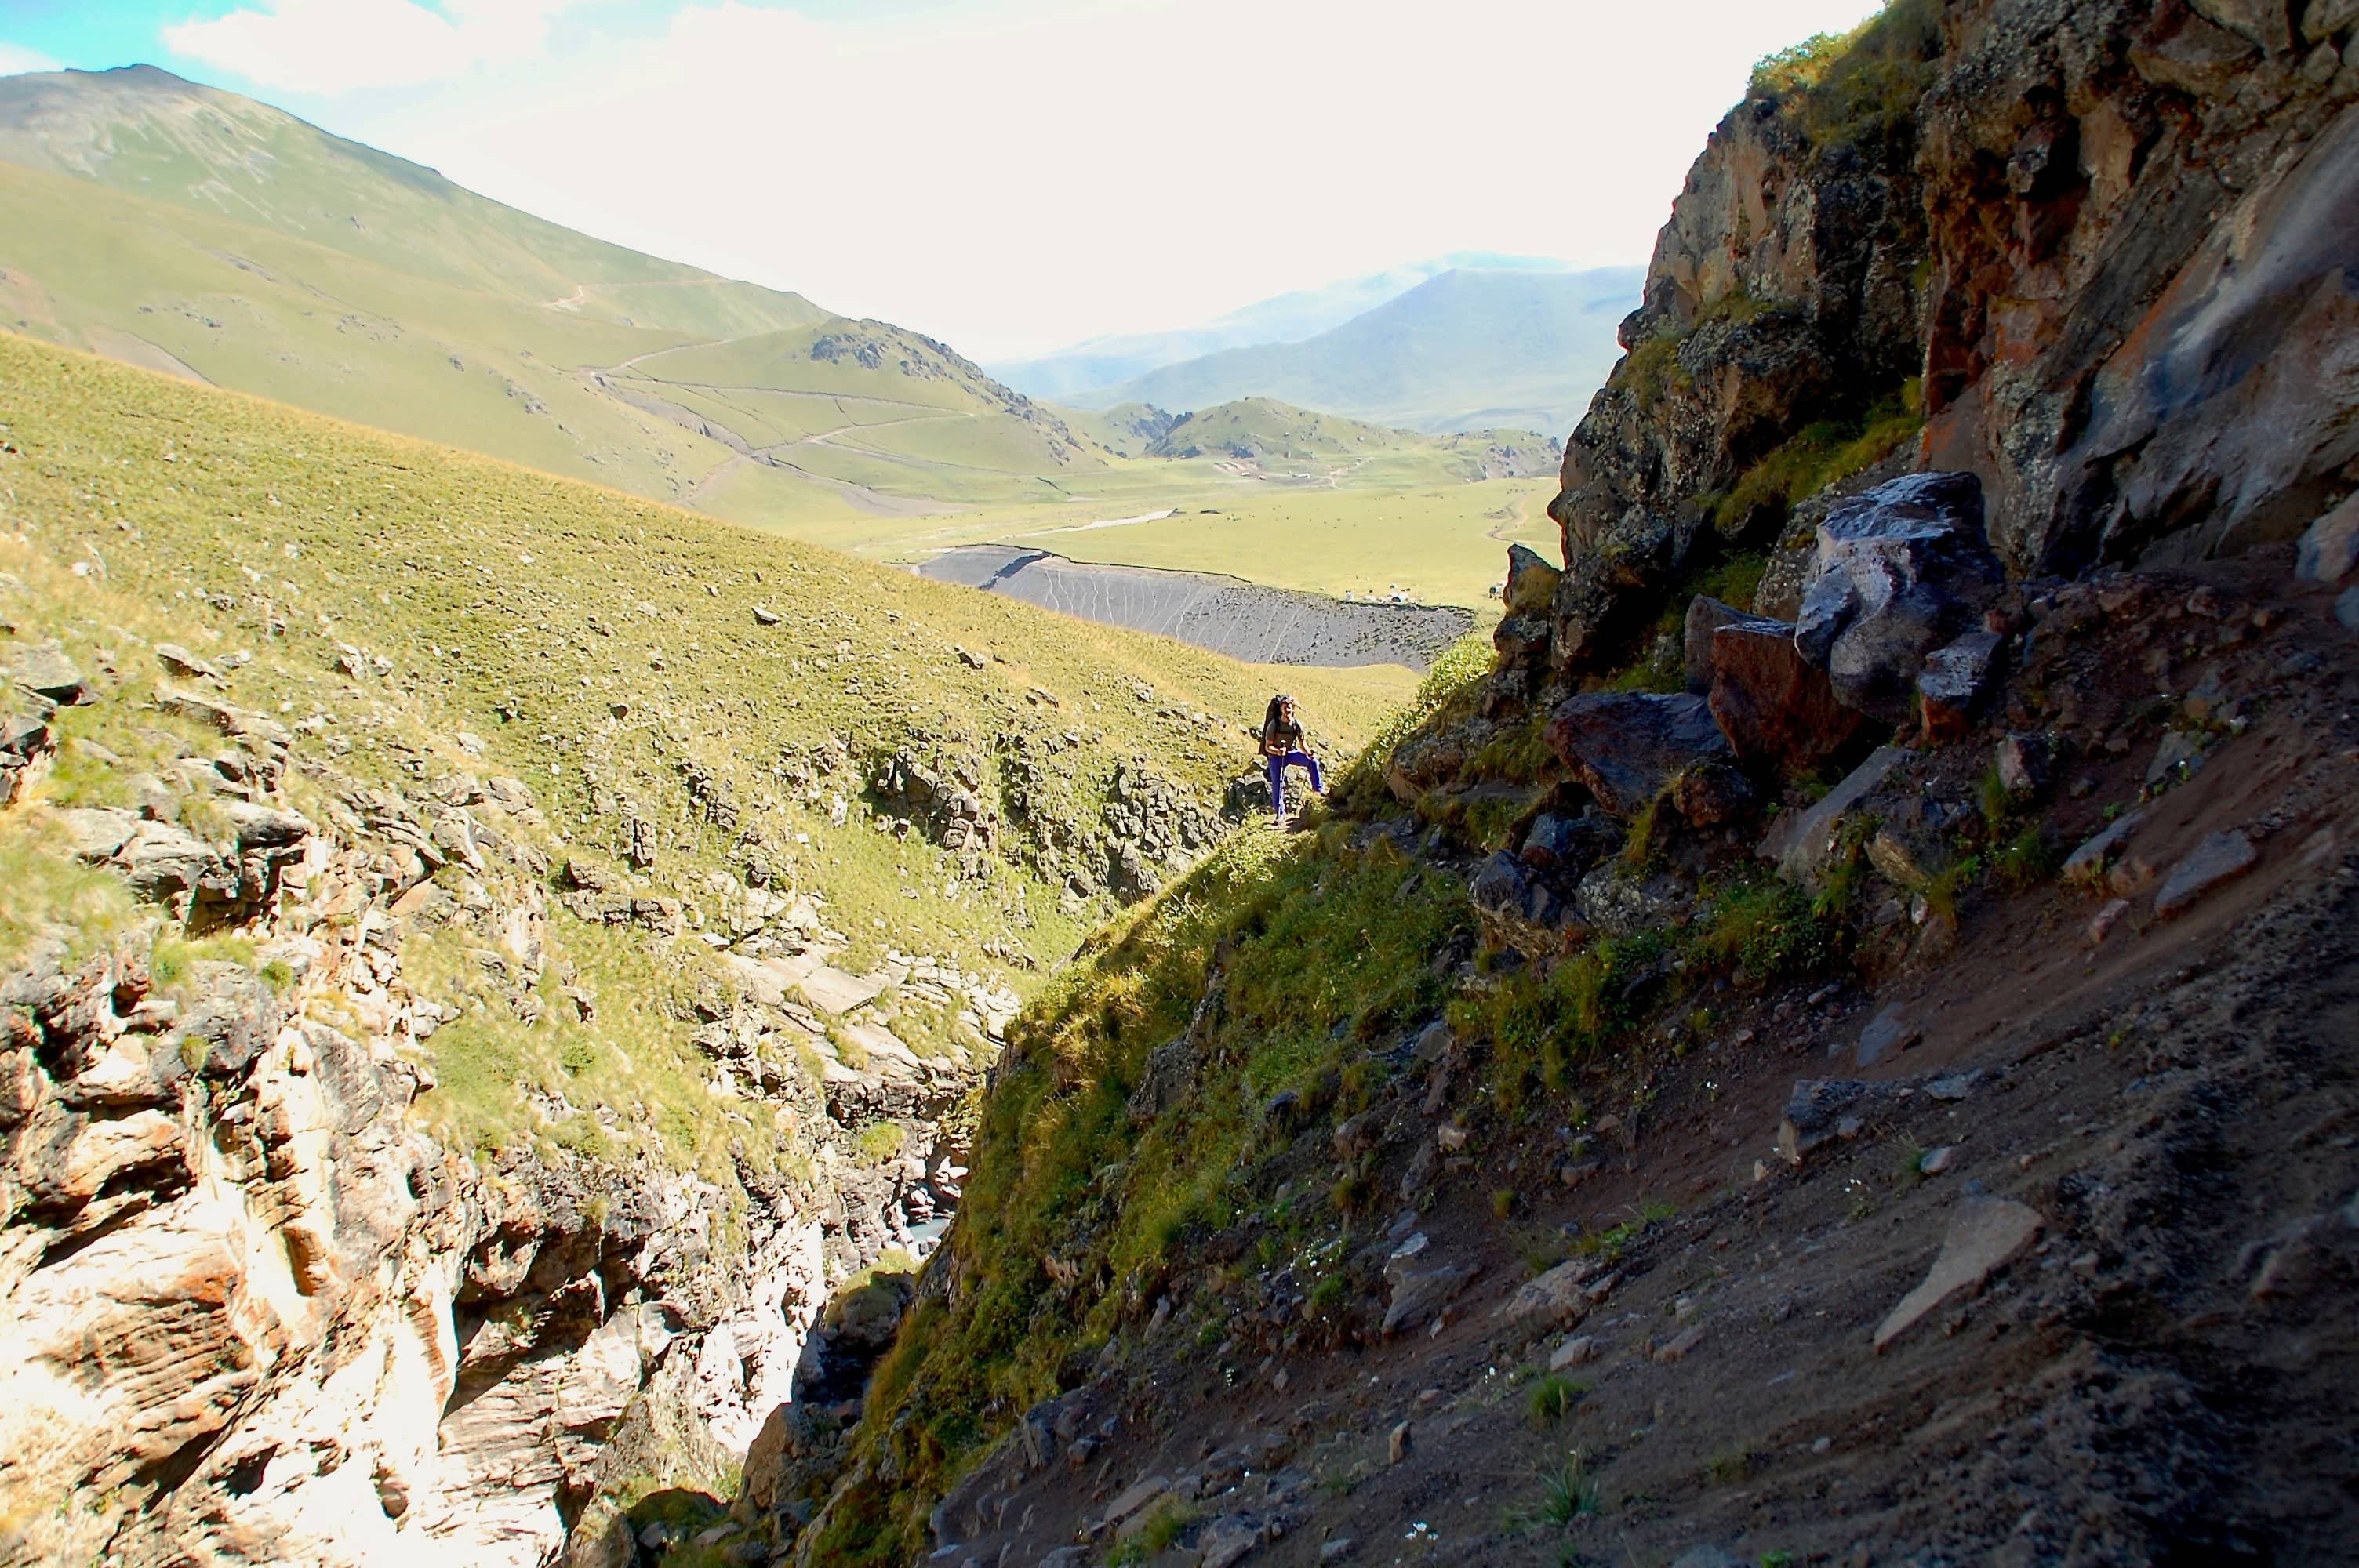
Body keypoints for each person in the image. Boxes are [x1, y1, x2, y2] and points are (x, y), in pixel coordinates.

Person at [1259, 693, 1323, 825]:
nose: (1287, 708)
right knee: (1277, 784)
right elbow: (1267, 747)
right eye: (1285, 706)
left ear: (1293, 709)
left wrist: (1309, 752)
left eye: (1290, 706)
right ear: (1281, 709)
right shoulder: (1274, 724)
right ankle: (1280, 815)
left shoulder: (1297, 725)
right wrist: (1278, 751)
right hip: (1275, 758)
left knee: (1312, 762)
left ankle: (1318, 792)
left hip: (1290, 753)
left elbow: (1302, 743)